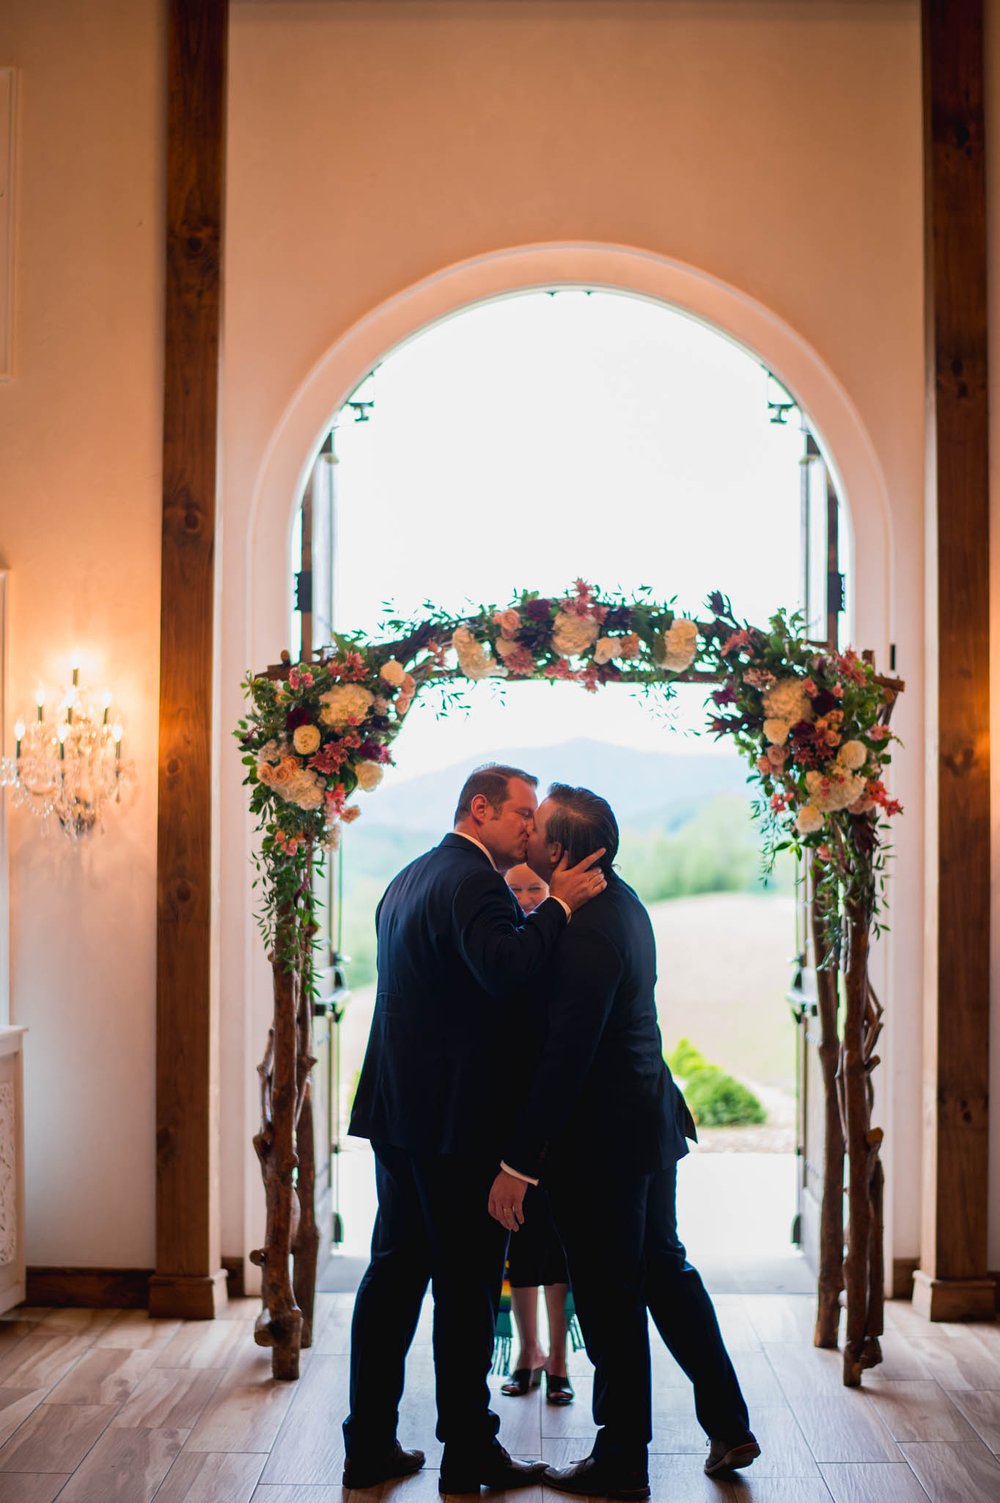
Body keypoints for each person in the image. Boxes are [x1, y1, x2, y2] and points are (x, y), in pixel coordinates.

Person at [489, 784, 759, 1500]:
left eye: (538, 828)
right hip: (648, 1121)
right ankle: (729, 1420)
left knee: (610, 1299)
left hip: (604, 1142)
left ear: (563, 851)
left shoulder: (587, 931)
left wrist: (519, 1160)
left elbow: (565, 1056)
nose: (527, 835)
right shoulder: (626, 903)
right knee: (666, 1272)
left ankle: (621, 1461)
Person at [342, 765, 607, 1494]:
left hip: (398, 1116)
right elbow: (504, 968)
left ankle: (367, 1442)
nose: (532, 827)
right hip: (454, 1124)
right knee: (463, 1290)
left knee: (392, 1278)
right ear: (480, 808)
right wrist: (554, 905)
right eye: (522, 814)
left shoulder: (408, 877)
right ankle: (469, 1454)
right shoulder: (473, 880)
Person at [498, 864, 575, 1406]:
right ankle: (527, 1351)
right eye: (515, 890)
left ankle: (561, 1360)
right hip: (505, 1111)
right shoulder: (498, 945)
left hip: (560, 1114)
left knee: (558, 1243)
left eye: (535, 889)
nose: (525, 898)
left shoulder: (569, 940)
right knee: (517, 1239)